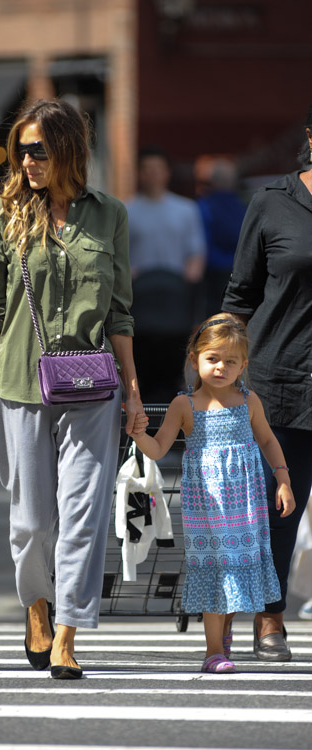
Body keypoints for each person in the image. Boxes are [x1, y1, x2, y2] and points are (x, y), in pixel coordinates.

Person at [0, 98, 146, 680]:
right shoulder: (3, 215)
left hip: (93, 388)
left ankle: (67, 633)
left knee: (81, 516)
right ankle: (37, 604)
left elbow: (121, 314)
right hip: (20, 384)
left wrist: (133, 393)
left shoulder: (110, 215)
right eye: (20, 151)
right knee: (33, 521)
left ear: (68, 150)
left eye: (38, 149)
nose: (27, 161)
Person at [131, 314, 295, 673]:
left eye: (230, 361)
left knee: (237, 567)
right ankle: (213, 651)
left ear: (243, 366)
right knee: (216, 570)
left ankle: (224, 630)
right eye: (213, 359)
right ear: (195, 359)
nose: (221, 367)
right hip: (206, 506)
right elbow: (158, 449)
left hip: (246, 502)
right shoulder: (183, 405)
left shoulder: (249, 401)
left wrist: (282, 480)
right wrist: (139, 434)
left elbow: (267, 440)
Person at [222, 107, 312, 661]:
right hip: (282, 379)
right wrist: (219, 378)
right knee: (282, 505)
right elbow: (239, 298)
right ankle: (270, 615)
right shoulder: (271, 202)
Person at [126, 146, 207, 402]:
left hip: (175, 303)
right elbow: (118, 256)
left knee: (174, 372)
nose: (152, 175)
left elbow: (196, 253)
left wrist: (188, 283)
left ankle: (175, 431)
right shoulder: (126, 210)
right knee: (141, 374)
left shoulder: (186, 210)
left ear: (167, 173)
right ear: (139, 173)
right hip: (139, 304)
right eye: (146, 169)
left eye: (157, 169)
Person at [194, 157, 247, 317]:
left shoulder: (203, 206)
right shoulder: (245, 206)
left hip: (212, 274)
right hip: (238, 271)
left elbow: (201, 242)